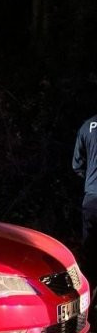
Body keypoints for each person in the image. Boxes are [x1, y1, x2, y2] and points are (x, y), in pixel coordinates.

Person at [72, 112, 97, 282]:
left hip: (92, 198)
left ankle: (89, 293)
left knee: (90, 251)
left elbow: (77, 165)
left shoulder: (86, 126)